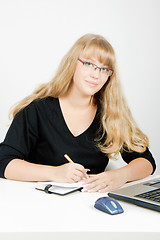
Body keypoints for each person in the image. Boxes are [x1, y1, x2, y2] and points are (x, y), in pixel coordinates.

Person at [0, 33, 156, 193]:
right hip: (40, 204)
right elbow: (4, 162)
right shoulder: (37, 110)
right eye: (89, 64)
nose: (96, 74)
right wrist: (55, 173)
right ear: (72, 63)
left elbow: (146, 162)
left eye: (104, 69)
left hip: (91, 206)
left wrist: (119, 176)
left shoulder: (111, 114)